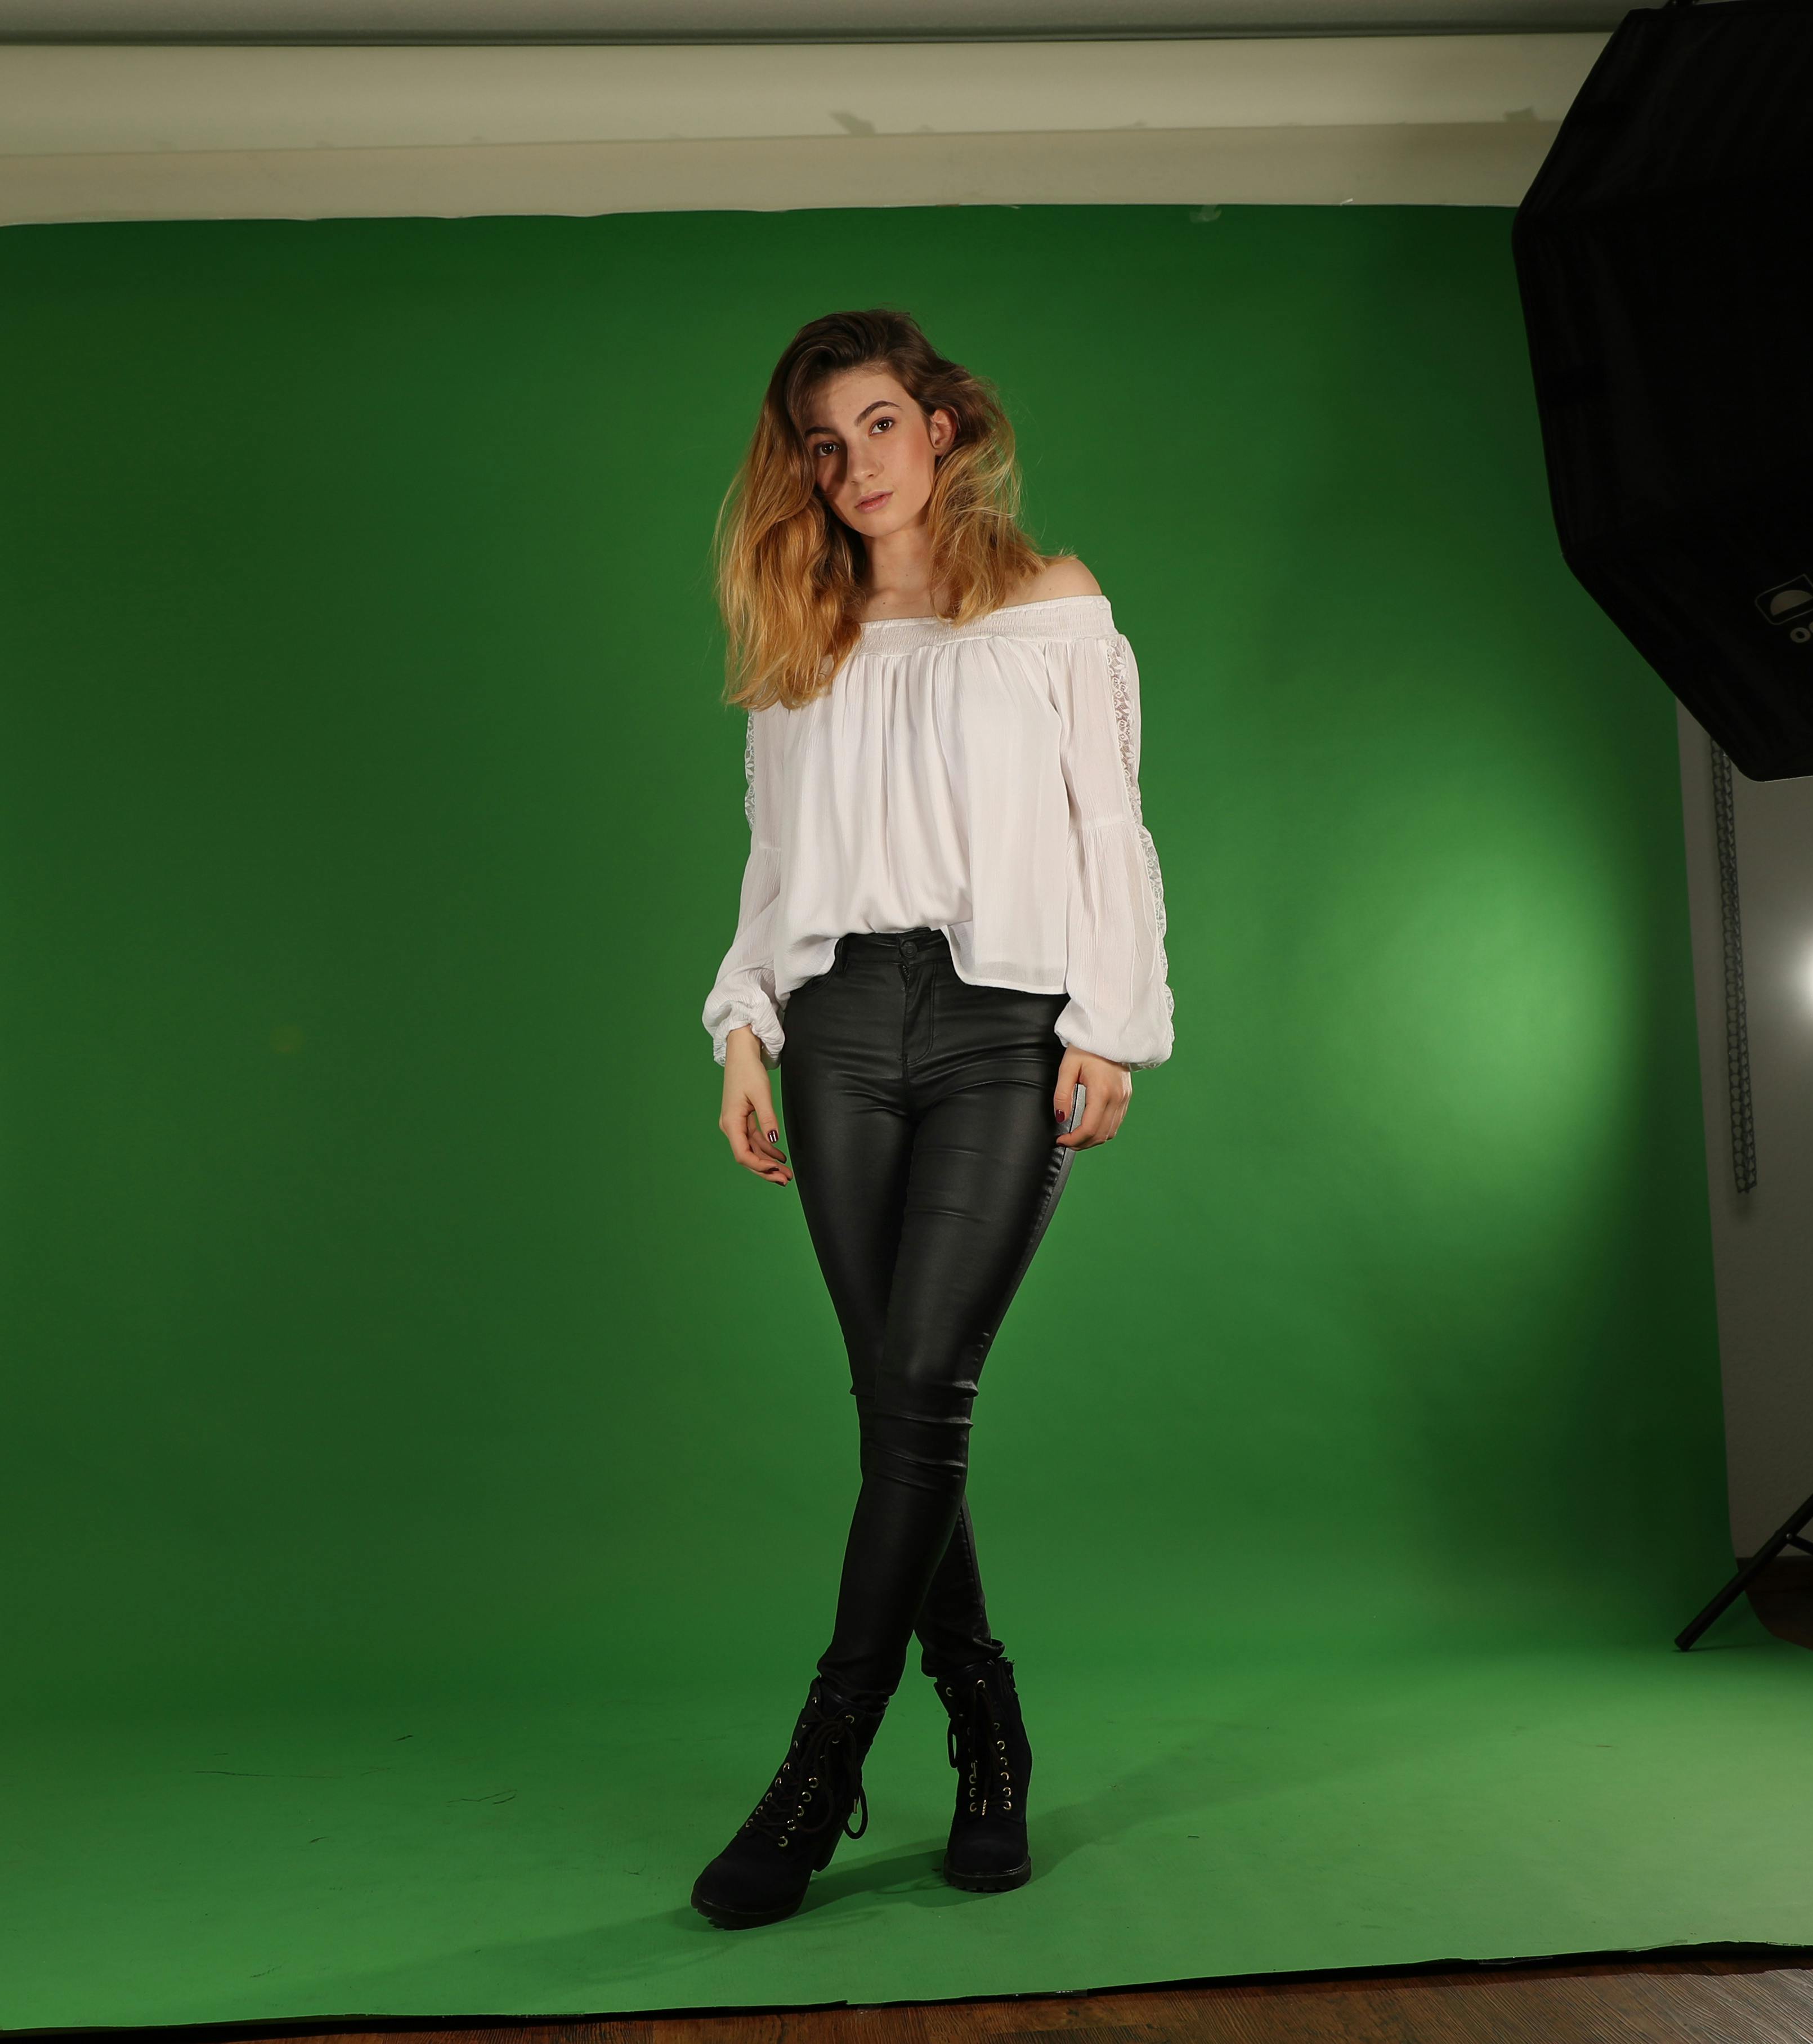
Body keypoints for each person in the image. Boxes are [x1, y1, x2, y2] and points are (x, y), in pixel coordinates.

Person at [691, 308, 1176, 1930]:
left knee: (919, 1386)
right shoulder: (806, 637)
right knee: (898, 1399)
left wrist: (1111, 1025)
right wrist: (744, 1026)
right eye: (825, 445)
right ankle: (986, 1728)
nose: (857, 466)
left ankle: (819, 1761)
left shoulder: (1052, 607)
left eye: (881, 425)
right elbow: (775, 859)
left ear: (944, 427)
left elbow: (1110, 827)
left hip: (999, 1022)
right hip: (835, 1026)